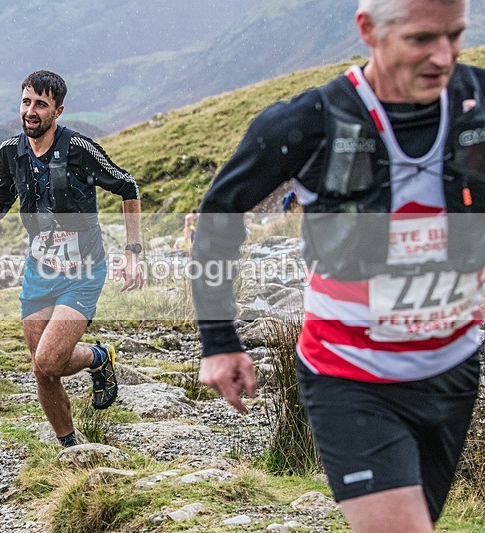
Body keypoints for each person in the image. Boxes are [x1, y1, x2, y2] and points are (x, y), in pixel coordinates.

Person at [192, 0, 484, 530]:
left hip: (454, 371)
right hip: (350, 380)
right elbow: (219, 213)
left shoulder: (479, 103)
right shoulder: (309, 122)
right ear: (369, 30)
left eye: (455, 35)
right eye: (421, 39)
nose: (444, 57)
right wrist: (219, 340)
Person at [0, 70, 144, 448]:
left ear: (58, 110)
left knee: (49, 360)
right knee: (43, 371)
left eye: (41, 104)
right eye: (26, 102)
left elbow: (128, 186)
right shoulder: (11, 152)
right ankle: (70, 451)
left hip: (84, 271)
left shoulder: (79, 149)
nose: (31, 111)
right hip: (39, 271)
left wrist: (132, 251)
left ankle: (98, 357)